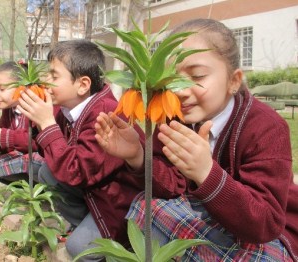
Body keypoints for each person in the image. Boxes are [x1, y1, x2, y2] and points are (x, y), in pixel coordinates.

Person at [94, 18, 298, 261]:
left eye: (197, 76)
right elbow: (172, 187)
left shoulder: (266, 127)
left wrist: (206, 173)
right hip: (209, 214)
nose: (179, 91)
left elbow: (265, 223)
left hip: (267, 232)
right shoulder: (175, 117)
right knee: (143, 204)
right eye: (170, 79)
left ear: (233, 81)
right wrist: (138, 155)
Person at [17, 39, 146, 261]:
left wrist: (47, 124)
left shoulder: (104, 115)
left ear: (83, 84)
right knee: (46, 172)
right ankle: (86, 224)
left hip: (120, 204)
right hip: (96, 192)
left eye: (54, 76)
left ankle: (116, 241)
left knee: (79, 250)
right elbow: (44, 146)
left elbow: (76, 171)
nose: (47, 81)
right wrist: (37, 120)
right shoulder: (68, 108)